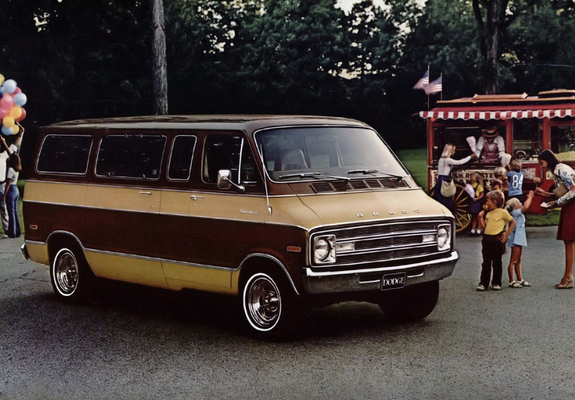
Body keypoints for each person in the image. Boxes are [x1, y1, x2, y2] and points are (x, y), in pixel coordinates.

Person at [536, 149, 575, 289]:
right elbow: (563, 191)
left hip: (572, 206)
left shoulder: (562, 169)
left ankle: (568, 276)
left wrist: (556, 203)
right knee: (568, 240)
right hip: (569, 204)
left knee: (569, 239)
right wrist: (546, 194)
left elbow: (574, 189)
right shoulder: (558, 170)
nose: (542, 166)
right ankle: (567, 276)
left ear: (549, 160)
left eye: (542, 163)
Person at [476, 190, 516, 291]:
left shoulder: (503, 212)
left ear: (495, 201)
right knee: (486, 262)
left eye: (488, 201)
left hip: (497, 239)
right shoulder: (488, 214)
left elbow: (513, 222)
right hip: (487, 239)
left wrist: (507, 234)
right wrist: (480, 218)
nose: (486, 203)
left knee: (497, 262)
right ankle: (483, 283)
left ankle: (496, 282)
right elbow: (485, 228)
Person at [433, 143, 477, 209]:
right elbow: (460, 162)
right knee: (446, 199)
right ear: (450, 151)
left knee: (439, 199)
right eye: (453, 150)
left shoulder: (441, 159)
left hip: (440, 179)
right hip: (444, 180)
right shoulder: (447, 160)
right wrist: (470, 157)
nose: (454, 152)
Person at [505, 190, 535, 288]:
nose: (521, 203)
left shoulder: (517, 212)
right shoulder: (515, 212)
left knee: (518, 260)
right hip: (516, 238)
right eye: (518, 203)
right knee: (513, 260)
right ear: (514, 206)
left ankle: (519, 279)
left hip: (520, 238)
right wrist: (530, 197)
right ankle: (511, 280)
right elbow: (526, 207)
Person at [0, 129, 22, 237]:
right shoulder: (16, 167)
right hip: (15, 189)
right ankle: (16, 231)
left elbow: (8, 183)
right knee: (14, 212)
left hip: (8, 188)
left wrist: (4, 195)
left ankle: (11, 231)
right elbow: (12, 154)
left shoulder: (10, 168)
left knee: (9, 211)